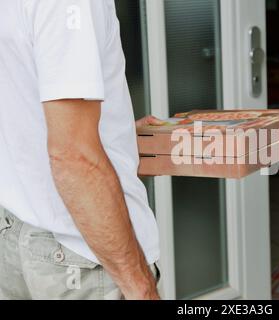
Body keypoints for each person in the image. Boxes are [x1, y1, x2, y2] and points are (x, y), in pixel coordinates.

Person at [0, 0, 163, 300]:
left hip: (15, 232)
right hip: (80, 253)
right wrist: (140, 287)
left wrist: (114, 134)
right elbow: (73, 157)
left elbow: (19, 94)